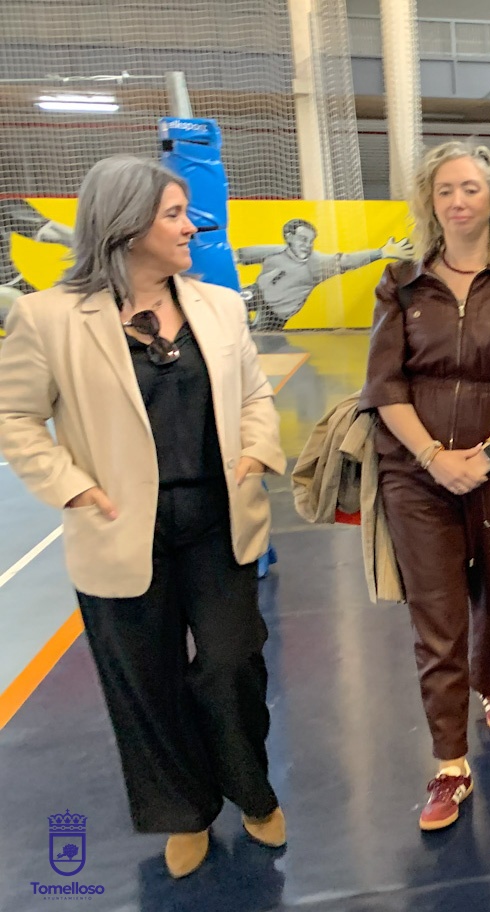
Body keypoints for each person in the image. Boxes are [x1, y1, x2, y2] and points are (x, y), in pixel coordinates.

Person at [0, 156, 287, 879]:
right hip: (119, 527)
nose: (191, 227)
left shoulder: (219, 306)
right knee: (144, 680)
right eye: (174, 215)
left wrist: (258, 449)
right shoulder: (48, 318)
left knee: (231, 664)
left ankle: (251, 791)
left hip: (218, 521)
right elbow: (16, 417)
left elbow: (254, 393)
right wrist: (70, 488)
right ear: (127, 227)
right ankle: (184, 812)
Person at [359, 141, 490, 832]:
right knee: (439, 617)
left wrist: (485, 455)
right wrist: (432, 457)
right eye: (445, 189)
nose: (458, 200)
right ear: (430, 201)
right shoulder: (401, 283)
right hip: (415, 475)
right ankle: (450, 764)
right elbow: (384, 385)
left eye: (471, 188)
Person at [237, 219, 412, 331]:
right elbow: (238, 255)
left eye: (311, 241)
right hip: (257, 292)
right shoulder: (275, 251)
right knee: (233, 301)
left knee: (257, 339)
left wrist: (382, 252)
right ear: (289, 237)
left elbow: (347, 260)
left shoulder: (316, 264)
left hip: (276, 312)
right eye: (303, 239)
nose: (307, 245)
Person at [0, 198, 73, 327]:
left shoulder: (4, 204)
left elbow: (49, 231)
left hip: (9, 283)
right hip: (7, 292)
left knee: (60, 322)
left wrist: (92, 243)